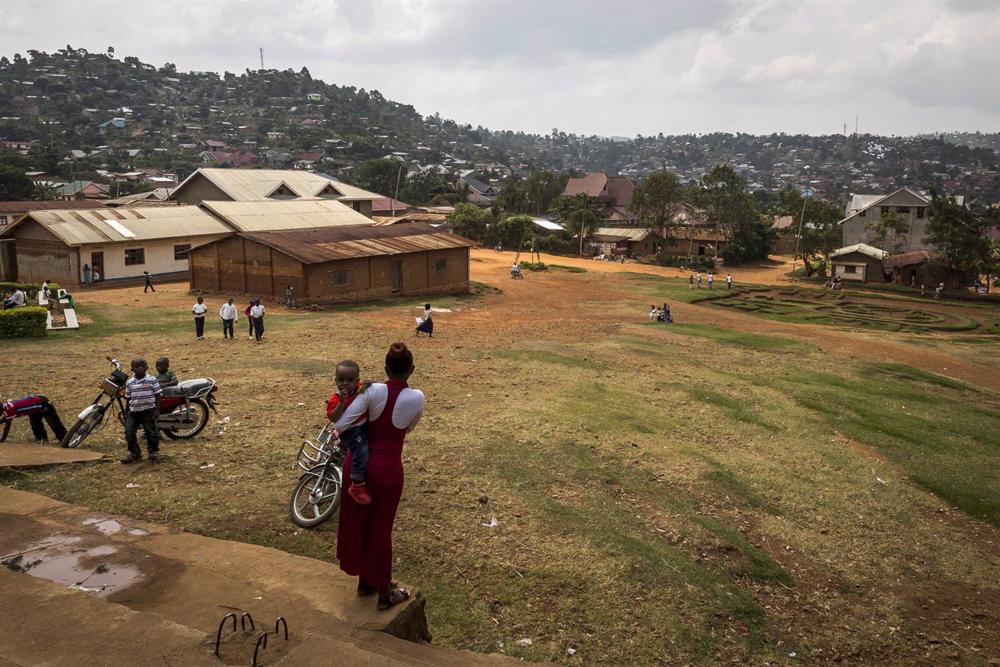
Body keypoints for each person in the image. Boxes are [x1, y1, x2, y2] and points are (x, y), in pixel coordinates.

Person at [334, 342, 424, 610]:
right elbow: (408, 428)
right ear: (411, 369)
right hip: (387, 469)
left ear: (386, 369)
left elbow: (343, 422)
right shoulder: (417, 398)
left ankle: (365, 582)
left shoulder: (372, 390)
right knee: (380, 530)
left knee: (359, 524)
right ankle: (384, 593)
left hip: (356, 466)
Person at [326, 360, 372, 506]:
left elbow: (366, 391)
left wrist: (370, 384)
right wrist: (341, 402)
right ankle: (357, 483)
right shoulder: (336, 399)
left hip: (363, 425)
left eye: (350, 380)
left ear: (357, 381)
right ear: (335, 381)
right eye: (341, 380)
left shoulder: (359, 389)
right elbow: (333, 417)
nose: (345, 383)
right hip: (350, 431)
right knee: (362, 449)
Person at [122, 357, 161, 463]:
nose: (140, 368)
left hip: (148, 411)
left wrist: (157, 410)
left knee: (151, 432)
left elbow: (158, 395)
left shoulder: (152, 380)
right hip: (133, 412)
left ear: (147, 367)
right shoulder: (129, 383)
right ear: (132, 369)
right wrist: (126, 412)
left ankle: (153, 451)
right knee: (129, 432)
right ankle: (135, 453)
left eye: (142, 366)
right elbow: (128, 398)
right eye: (137, 366)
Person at [1, 395, 67, 444]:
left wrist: (2, 439)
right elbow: (4, 419)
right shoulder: (6, 405)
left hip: (44, 404)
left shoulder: (9, 409)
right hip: (34, 408)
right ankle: (42, 439)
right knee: (35, 423)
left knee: (54, 423)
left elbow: (7, 426)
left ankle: (64, 439)